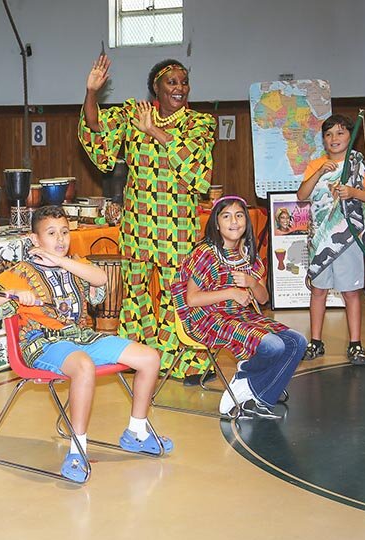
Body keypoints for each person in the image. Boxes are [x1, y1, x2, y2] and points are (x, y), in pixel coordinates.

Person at [0, 206, 173, 483]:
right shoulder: (20, 271)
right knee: (83, 365)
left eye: (65, 232)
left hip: (81, 337)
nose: (60, 240)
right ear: (35, 239)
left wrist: (62, 262)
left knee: (150, 358)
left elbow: (101, 279)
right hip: (42, 343)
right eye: (51, 233)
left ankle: (136, 432)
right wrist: (11, 294)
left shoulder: (76, 264)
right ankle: (77, 449)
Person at [79, 54, 216, 386]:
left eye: (184, 82)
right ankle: (139, 355)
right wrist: (91, 93)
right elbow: (96, 127)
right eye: (172, 82)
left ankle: (188, 362)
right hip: (137, 225)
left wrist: (153, 130)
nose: (180, 88)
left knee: (179, 292)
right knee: (136, 290)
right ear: (156, 87)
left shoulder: (200, 123)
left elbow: (197, 170)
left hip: (178, 225)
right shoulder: (133, 113)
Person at [172, 196, 307, 417]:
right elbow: (192, 299)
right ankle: (247, 376)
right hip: (207, 318)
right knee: (273, 346)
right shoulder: (206, 253)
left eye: (239, 215)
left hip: (241, 316)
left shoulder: (248, 256)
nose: (234, 221)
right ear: (216, 223)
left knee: (297, 342)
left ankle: (260, 398)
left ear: (246, 221)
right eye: (226, 216)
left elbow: (263, 299)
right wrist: (231, 292)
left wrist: (252, 282)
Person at [297, 114, 365, 365]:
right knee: (318, 290)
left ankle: (355, 344)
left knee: (350, 292)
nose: (334, 138)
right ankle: (315, 342)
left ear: (350, 136)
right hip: (320, 239)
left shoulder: (358, 166)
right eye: (328, 134)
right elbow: (302, 194)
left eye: (340, 133)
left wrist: (353, 192)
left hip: (348, 239)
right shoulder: (316, 164)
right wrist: (318, 174)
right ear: (323, 140)